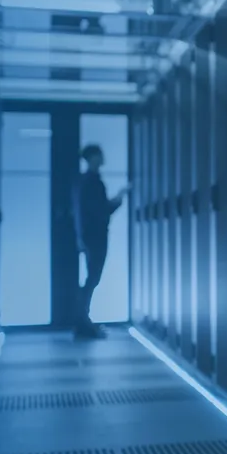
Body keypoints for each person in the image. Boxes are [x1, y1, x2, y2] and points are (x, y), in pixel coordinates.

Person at [71, 144, 131, 340]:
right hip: (94, 236)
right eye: (99, 154)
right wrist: (119, 198)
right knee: (93, 278)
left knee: (92, 278)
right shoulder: (91, 182)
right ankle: (83, 322)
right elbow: (100, 211)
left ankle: (83, 321)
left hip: (90, 235)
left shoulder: (86, 181)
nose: (102, 157)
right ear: (92, 158)